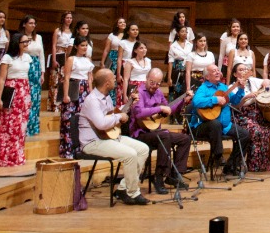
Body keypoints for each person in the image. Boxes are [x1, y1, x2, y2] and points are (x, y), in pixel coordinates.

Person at [79, 68, 150, 204]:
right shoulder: (92, 100)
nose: (116, 82)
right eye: (112, 79)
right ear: (106, 83)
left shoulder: (106, 97)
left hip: (108, 137)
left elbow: (113, 114)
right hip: (94, 142)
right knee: (130, 154)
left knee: (143, 149)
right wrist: (119, 116)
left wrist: (128, 103)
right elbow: (101, 123)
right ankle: (133, 192)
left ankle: (123, 188)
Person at [130, 68, 192, 193]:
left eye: (158, 84)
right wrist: (159, 109)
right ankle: (159, 176)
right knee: (164, 136)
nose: (155, 86)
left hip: (155, 132)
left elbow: (170, 109)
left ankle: (174, 175)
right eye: (152, 82)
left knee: (185, 139)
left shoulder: (158, 93)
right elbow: (139, 113)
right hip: (141, 134)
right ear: (146, 79)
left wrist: (182, 102)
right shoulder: (139, 92)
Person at [190, 65, 249, 177]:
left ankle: (231, 166)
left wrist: (241, 89)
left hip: (225, 126)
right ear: (207, 76)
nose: (217, 72)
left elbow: (235, 101)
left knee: (245, 135)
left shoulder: (224, 87)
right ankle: (218, 155)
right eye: (214, 71)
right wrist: (215, 99)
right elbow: (196, 102)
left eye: (218, 70)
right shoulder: (203, 88)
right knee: (215, 124)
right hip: (205, 124)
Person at [0, 31, 33, 167]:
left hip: (24, 90)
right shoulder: (7, 58)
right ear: (18, 44)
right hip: (11, 90)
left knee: (21, 125)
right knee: (9, 124)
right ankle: (5, 156)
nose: (27, 44)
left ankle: (17, 155)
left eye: (27, 41)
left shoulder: (28, 57)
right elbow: (2, 79)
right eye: (24, 42)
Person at [229, 62, 270, 172]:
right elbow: (235, 105)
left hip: (257, 113)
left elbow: (267, 81)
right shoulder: (232, 87)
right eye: (240, 70)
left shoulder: (253, 80)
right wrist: (247, 97)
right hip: (241, 115)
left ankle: (267, 163)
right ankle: (254, 164)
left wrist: (266, 85)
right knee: (257, 131)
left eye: (245, 69)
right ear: (235, 74)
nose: (244, 71)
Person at [59, 29, 95, 159]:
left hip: (84, 89)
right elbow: (67, 77)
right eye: (82, 45)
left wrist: (90, 94)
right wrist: (65, 95)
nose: (84, 48)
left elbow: (89, 78)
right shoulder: (71, 59)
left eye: (86, 45)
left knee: (81, 118)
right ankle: (67, 149)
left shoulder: (88, 60)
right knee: (69, 119)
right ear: (76, 46)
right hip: (74, 87)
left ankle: (80, 147)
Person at [17, 16, 46, 135]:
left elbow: (42, 55)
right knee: (25, 96)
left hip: (36, 68)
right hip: (24, 65)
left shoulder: (38, 37)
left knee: (35, 98)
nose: (33, 25)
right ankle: (22, 126)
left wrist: (42, 72)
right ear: (24, 24)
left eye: (34, 23)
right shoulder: (19, 37)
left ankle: (33, 126)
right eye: (30, 23)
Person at [48, 11, 74, 113]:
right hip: (59, 54)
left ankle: (64, 101)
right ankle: (54, 105)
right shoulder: (58, 31)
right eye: (67, 18)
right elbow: (54, 45)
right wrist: (54, 59)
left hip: (68, 56)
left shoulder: (72, 32)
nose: (69, 20)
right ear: (63, 19)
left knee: (65, 80)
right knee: (55, 80)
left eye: (70, 18)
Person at [167, 15, 194, 104]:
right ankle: (173, 115)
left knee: (186, 91)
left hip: (187, 70)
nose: (184, 33)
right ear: (178, 33)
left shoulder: (190, 45)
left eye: (186, 32)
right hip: (176, 70)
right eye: (182, 32)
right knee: (174, 93)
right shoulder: (173, 46)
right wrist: (169, 77)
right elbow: (170, 62)